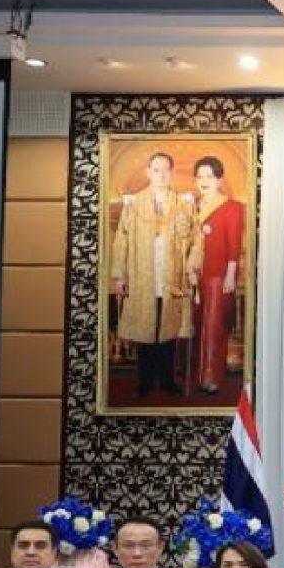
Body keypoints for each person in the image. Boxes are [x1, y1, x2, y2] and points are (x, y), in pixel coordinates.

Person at [108, 149, 197, 398]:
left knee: (168, 330)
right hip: (142, 275)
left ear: (172, 173)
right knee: (144, 329)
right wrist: (120, 276)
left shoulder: (183, 204)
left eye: (165, 170)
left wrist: (191, 267)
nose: (161, 175)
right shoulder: (134, 204)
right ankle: (145, 380)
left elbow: (195, 238)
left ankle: (168, 380)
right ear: (148, 172)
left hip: (171, 276)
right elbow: (122, 240)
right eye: (156, 170)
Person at [185, 154, 246, 396]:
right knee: (197, 325)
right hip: (195, 276)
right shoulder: (193, 206)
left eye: (209, 176)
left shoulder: (232, 207)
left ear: (219, 179)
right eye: (200, 176)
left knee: (213, 327)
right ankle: (195, 375)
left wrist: (231, 275)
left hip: (218, 276)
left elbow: (234, 244)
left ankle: (211, 378)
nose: (204, 181)